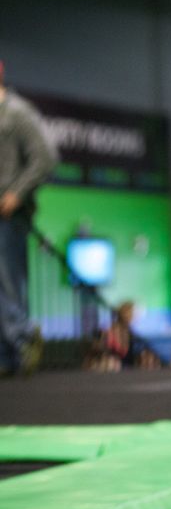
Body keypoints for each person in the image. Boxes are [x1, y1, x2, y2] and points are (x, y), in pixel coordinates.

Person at [0, 60, 57, 376]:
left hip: (9, 215)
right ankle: (5, 356)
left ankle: (22, 340)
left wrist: (16, 193)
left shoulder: (18, 113)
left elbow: (45, 158)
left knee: (8, 282)